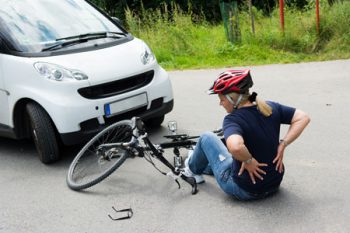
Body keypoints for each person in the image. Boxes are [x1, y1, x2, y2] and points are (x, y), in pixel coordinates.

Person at [183, 69, 310, 200]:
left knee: (206, 138)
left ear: (232, 98)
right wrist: (283, 143)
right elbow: (303, 117)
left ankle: (192, 170)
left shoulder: (232, 119)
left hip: (244, 190)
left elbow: (236, 147)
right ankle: (203, 162)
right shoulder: (270, 107)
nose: (220, 103)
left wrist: (248, 160)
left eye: (221, 99)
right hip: (273, 184)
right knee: (225, 158)